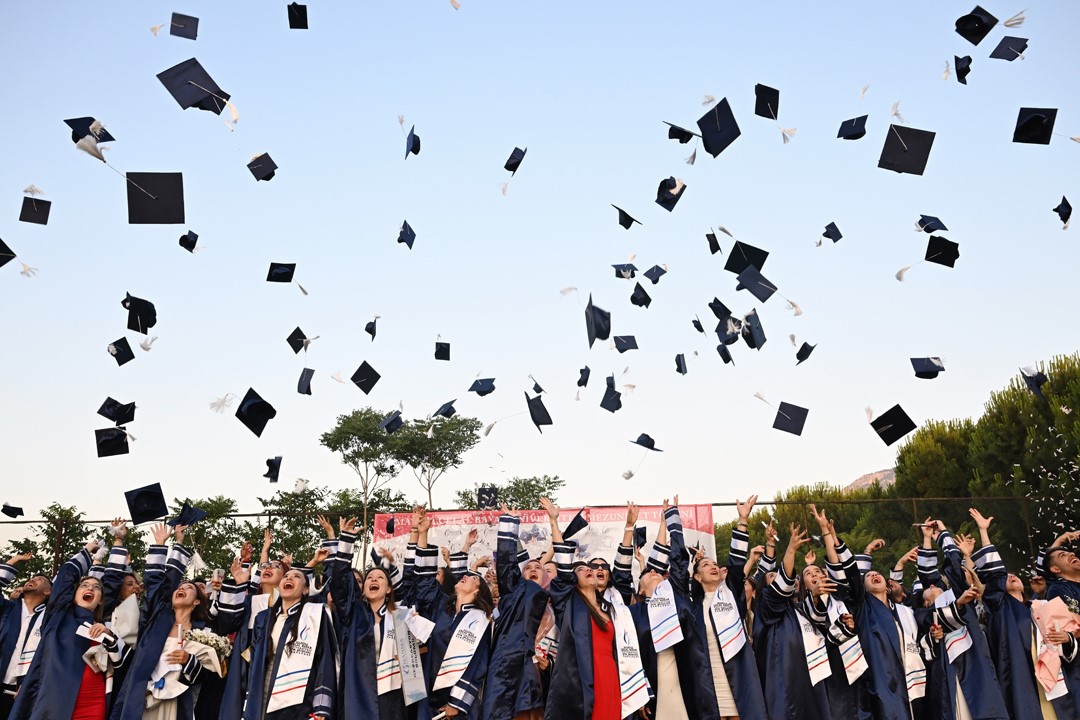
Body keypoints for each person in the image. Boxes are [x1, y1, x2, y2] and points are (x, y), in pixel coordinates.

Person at [969, 508, 1080, 718]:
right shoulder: (1000, 609)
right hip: (1022, 680)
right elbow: (994, 574)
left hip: (1053, 678)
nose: (1011, 576)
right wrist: (984, 532)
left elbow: (1066, 636)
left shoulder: (1038, 607)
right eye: (1007, 576)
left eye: (1015, 575)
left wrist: (1066, 638)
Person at [543, 497, 647, 720]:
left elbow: (623, 570)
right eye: (584, 569)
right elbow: (562, 565)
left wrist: (629, 526)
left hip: (612, 675)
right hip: (581, 679)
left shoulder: (611, 607)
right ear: (573, 579)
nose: (591, 570)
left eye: (600, 568)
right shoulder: (568, 604)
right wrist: (554, 522)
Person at [109, 522, 226, 720]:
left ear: (197, 601)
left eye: (188, 588)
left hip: (175, 703)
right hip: (141, 697)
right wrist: (163, 544)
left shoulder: (202, 633)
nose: (181, 589)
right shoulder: (157, 619)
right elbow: (156, 583)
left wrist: (188, 660)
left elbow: (204, 677)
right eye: (179, 587)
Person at [11, 539, 124, 720]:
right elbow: (66, 575)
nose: (90, 588)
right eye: (84, 585)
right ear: (75, 593)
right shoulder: (58, 615)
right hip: (55, 701)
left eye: (96, 588)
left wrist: (108, 636)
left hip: (93, 701)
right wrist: (87, 550)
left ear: (101, 599)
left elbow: (119, 665)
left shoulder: (105, 627)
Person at [915, 519, 1008, 720]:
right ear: (924, 603)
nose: (931, 586)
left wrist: (942, 535)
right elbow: (928, 577)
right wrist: (926, 539)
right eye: (927, 589)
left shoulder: (956, 593)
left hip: (975, 661)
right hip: (948, 670)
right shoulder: (922, 614)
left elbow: (954, 569)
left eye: (934, 584)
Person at [331, 515, 420, 720]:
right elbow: (340, 585)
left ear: (388, 589)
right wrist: (345, 540)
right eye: (369, 577)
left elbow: (413, 673)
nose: (373, 579)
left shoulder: (401, 617)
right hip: (359, 695)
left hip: (393, 699)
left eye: (380, 577)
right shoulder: (354, 614)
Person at [409, 508, 493, 720]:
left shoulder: (481, 620)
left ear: (478, 590)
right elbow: (424, 582)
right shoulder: (441, 607)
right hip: (430, 699)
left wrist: (456, 702)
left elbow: (478, 665)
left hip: (460, 705)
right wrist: (423, 534)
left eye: (472, 577)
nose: (465, 576)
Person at [689, 497, 768, 720]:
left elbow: (735, 563)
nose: (713, 566)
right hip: (709, 682)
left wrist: (743, 520)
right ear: (696, 576)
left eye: (714, 564)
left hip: (738, 677)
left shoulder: (731, 593)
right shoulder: (693, 607)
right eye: (706, 565)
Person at [234, 550, 337, 720]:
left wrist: (321, 709)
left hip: (299, 699)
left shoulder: (314, 615)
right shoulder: (264, 619)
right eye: (286, 576)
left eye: (296, 576)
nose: (288, 578)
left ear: (305, 590)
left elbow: (324, 662)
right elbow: (255, 664)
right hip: (263, 694)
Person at [482, 505, 551, 720]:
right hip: (509, 670)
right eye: (528, 568)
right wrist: (509, 525)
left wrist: (549, 666)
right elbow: (506, 565)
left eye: (538, 568)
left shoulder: (559, 607)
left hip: (545, 681)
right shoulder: (515, 594)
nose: (532, 569)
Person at [0, 552, 51, 720]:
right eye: (32, 578)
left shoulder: (47, 619)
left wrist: (28, 682)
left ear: (48, 592)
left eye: (40, 580)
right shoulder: (8, 609)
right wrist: (16, 560)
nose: (33, 580)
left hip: (18, 692)